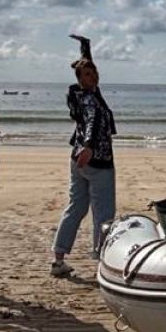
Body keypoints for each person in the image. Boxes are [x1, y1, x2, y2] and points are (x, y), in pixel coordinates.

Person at [49, 33, 115, 277]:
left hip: (77, 159)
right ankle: (103, 261)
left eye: (95, 72)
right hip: (96, 160)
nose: (94, 76)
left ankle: (58, 259)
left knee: (76, 207)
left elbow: (85, 67)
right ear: (79, 79)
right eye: (88, 74)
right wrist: (89, 145)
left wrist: (85, 47)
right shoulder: (89, 99)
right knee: (104, 212)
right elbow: (92, 122)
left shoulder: (85, 93)